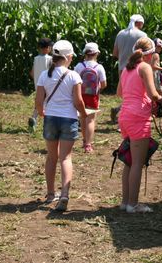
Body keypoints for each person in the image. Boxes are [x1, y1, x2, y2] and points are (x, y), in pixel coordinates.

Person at [35, 40, 87, 212]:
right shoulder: (74, 76)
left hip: (51, 118)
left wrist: (43, 113)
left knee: (51, 157)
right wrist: (84, 114)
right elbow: (78, 101)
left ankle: (50, 194)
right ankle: (64, 194)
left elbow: (38, 102)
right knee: (65, 157)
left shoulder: (44, 75)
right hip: (68, 119)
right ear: (68, 57)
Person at [116, 37, 162, 214]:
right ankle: (133, 204)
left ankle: (125, 201)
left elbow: (120, 92)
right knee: (137, 163)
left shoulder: (127, 68)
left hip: (125, 116)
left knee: (129, 162)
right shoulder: (144, 67)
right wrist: (160, 99)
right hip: (138, 118)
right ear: (150, 54)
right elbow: (153, 94)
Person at [111, 14, 147, 121]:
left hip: (122, 69)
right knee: (135, 95)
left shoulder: (120, 34)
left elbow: (115, 53)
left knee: (125, 95)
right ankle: (124, 117)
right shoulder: (142, 35)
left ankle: (119, 110)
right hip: (137, 69)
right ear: (139, 23)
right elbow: (145, 53)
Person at [74, 42, 107, 153]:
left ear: (85, 53)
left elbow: (74, 82)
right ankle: (88, 145)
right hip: (93, 96)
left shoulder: (79, 66)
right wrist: (97, 88)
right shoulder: (99, 67)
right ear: (96, 54)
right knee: (91, 119)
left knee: (82, 117)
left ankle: (84, 140)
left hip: (80, 95)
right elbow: (103, 84)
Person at [29, 38, 54, 131]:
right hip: (47, 85)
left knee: (40, 103)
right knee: (47, 104)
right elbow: (52, 72)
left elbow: (32, 72)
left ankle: (34, 119)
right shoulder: (50, 59)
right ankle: (42, 122)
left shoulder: (36, 59)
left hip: (38, 85)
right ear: (48, 48)